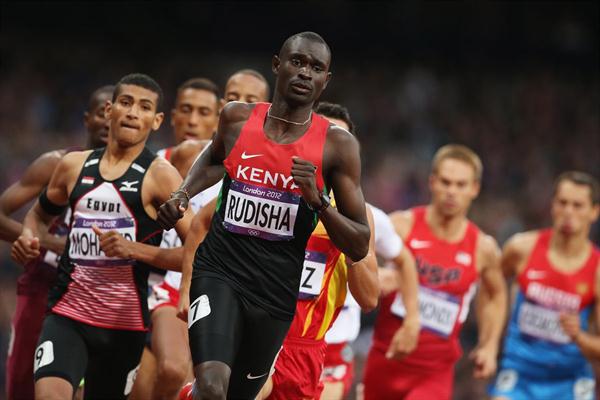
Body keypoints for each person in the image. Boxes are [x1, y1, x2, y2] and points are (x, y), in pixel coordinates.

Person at [159, 32, 370, 399]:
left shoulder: (338, 146)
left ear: (326, 81)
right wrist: (182, 193)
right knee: (211, 385)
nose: (305, 73)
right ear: (277, 65)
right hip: (220, 272)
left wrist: (319, 202)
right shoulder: (237, 118)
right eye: (298, 62)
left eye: (316, 68)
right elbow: (214, 158)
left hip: (274, 292)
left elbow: (360, 242)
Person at [11, 73, 193, 399]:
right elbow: (39, 214)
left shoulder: (162, 176)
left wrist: (135, 250)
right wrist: (28, 235)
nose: (133, 113)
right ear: (109, 110)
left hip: (124, 326)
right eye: (126, 103)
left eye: (144, 107)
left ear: (156, 120)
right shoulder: (72, 166)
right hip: (66, 314)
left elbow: (198, 249)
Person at [363, 144, 507, 400]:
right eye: (446, 182)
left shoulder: (482, 248)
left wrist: (489, 344)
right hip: (385, 361)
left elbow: (495, 294)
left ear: (474, 189)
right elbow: (360, 265)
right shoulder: (401, 226)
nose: (452, 192)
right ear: (432, 182)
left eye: (461, 185)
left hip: (435, 374)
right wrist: (376, 278)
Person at [0, 85, 113, 400]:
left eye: (113, 113)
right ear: (86, 118)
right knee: (22, 385)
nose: (107, 120)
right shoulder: (55, 163)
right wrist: (49, 241)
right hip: (43, 286)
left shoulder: (136, 178)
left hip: (97, 296)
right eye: (100, 112)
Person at [310, 102, 420, 400]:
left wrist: (412, 319)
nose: (330, 147)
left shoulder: (367, 216)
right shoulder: (276, 199)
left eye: (339, 139)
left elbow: (404, 261)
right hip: (275, 335)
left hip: (333, 346)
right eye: (322, 136)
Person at [131, 77, 223, 400]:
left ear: (218, 118)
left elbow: (198, 252)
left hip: (182, 299)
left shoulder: (228, 183)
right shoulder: (147, 169)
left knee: (176, 375)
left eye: (203, 112)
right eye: (186, 110)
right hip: (136, 293)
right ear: (171, 117)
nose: (193, 120)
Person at [489, 171, 599, 400]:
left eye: (578, 205)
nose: (568, 212)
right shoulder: (521, 248)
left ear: (594, 212)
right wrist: (489, 343)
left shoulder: (597, 270)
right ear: (552, 206)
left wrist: (579, 336)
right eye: (563, 203)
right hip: (520, 371)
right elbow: (492, 287)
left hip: (570, 381)